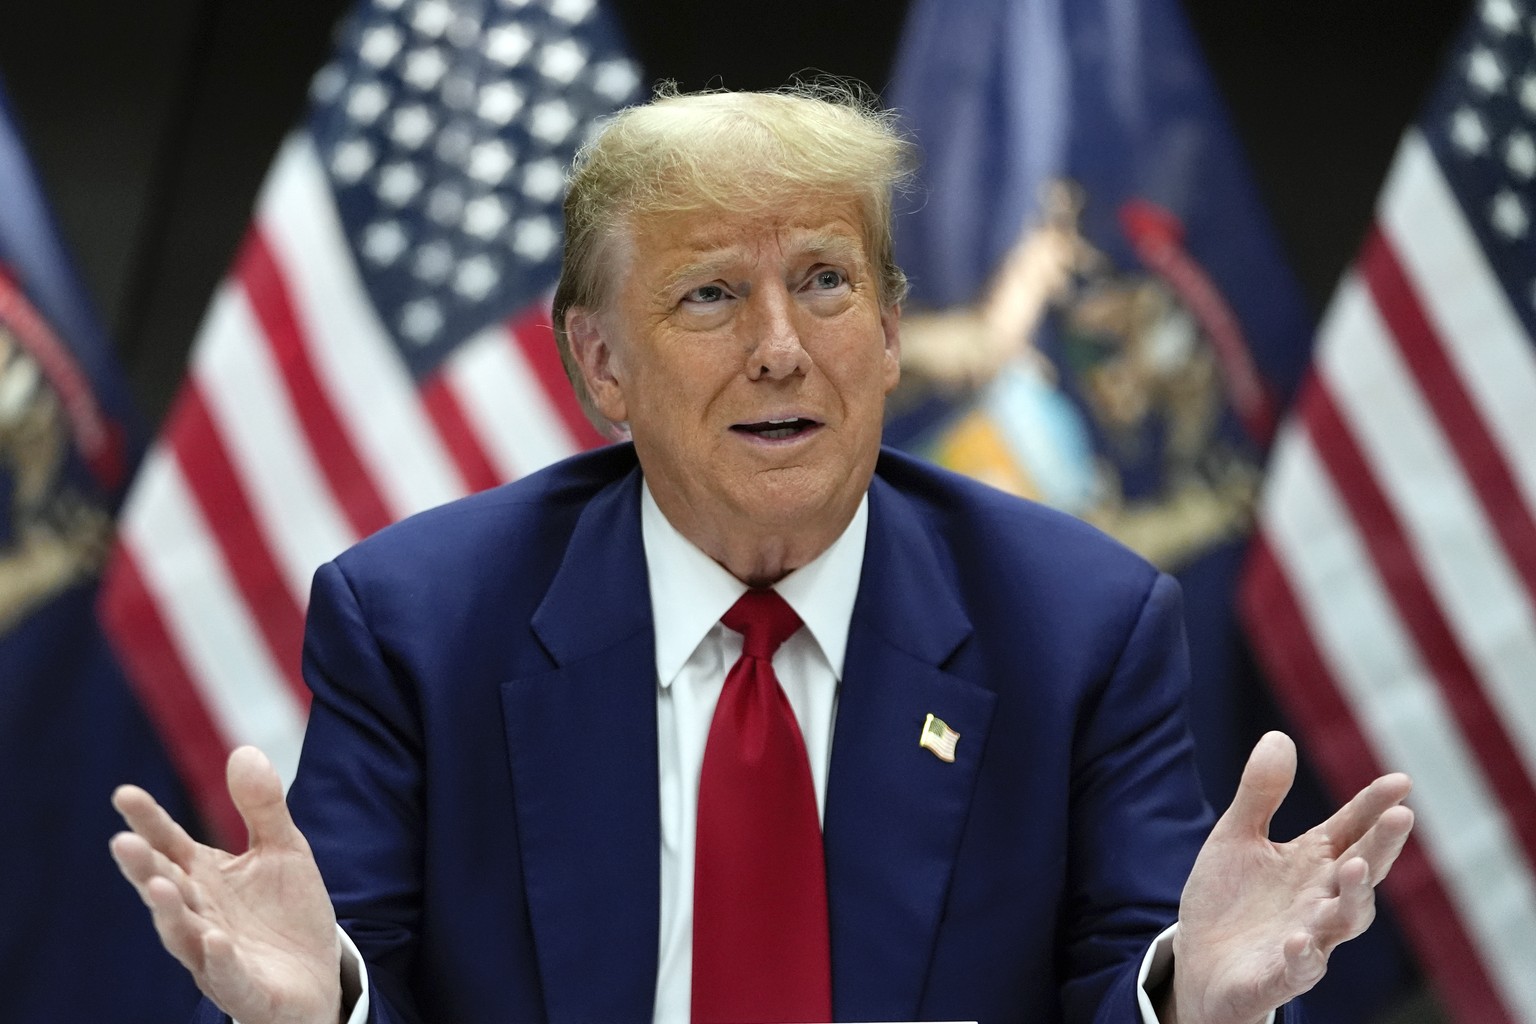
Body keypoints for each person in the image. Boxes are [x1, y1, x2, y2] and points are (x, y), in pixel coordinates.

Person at [110, 85, 1414, 1024]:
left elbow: (1122, 962)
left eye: (828, 284)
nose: (783, 346)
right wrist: (316, 1011)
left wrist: (1191, 1001)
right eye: (713, 294)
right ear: (600, 365)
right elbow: (367, 972)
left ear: (895, 338)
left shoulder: (1078, 626)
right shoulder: (417, 625)